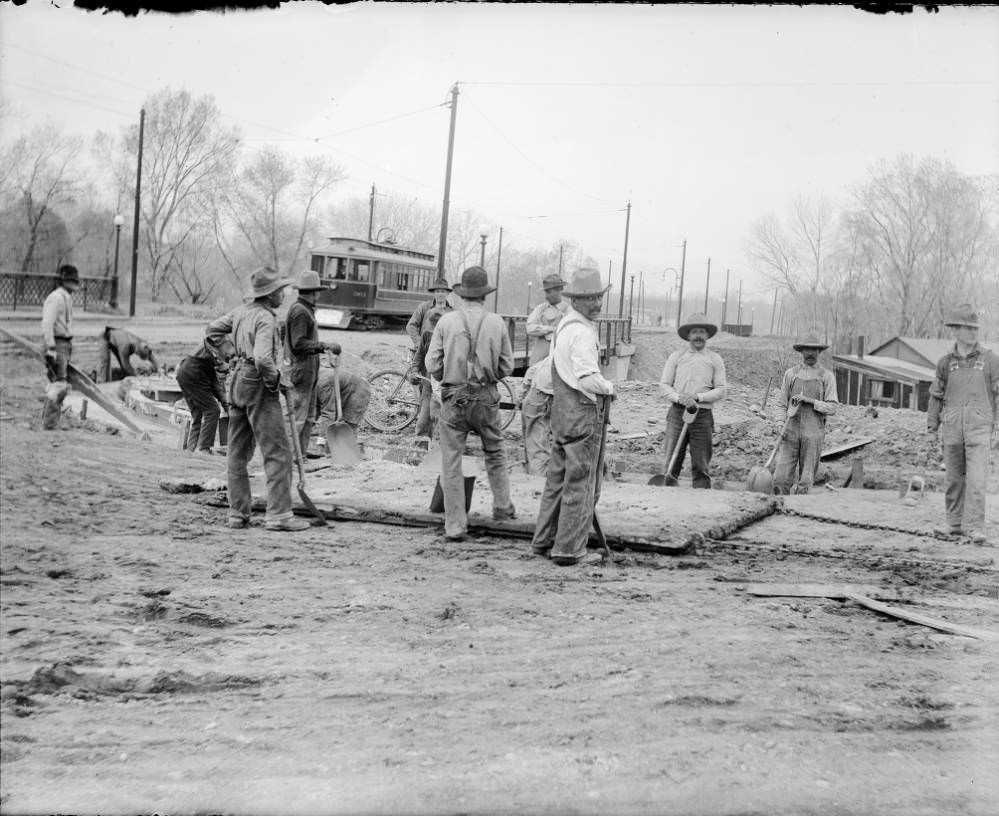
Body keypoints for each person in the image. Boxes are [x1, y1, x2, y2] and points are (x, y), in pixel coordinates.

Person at [206, 266, 310, 533]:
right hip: (258, 384)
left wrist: (230, 354)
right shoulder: (265, 318)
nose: (283, 295)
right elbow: (264, 358)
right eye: (280, 291)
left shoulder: (240, 312)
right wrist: (276, 380)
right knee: (278, 453)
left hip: (237, 382)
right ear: (270, 294)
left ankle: (237, 514)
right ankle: (279, 516)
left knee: (237, 454)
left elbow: (212, 331)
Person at [530, 267, 615, 566]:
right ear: (575, 301)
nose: (596, 303)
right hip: (581, 414)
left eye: (598, 297)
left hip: (563, 413)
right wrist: (609, 387)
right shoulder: (581, 332)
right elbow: (587, 376)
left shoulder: (565, 325)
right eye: (589, 298)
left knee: (556, 479)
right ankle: (569, 549)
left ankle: (542, 541)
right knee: (580, 482)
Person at [426, 266, 516, 541]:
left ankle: (455, 524)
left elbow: (432, 364)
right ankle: (502, 507)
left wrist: (448, 376)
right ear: (484, 295)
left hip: (454, 398)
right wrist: (488, 375)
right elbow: (507, 366)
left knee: (451, 460)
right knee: (495, 451)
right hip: (486, 396)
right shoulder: (496, 322)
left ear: (461, 294)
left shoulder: (446, 322)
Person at [927, 304, 999, 544]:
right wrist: (931, 429)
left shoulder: (990, 360)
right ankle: (954, 523)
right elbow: (936, 396)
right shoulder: (945, 363)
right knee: (954, 479)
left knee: (977, 480)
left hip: (980, 428)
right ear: (955, 331)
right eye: (967, 328)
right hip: (952, 428)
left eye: (975, 328)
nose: (972, 333)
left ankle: (975, 527)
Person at [658, 312, 727, 488]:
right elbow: (664, 385)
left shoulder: (715, 359)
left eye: (702, 332)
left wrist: (698, 397)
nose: (698, 336)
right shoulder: (676, 357)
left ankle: (701, 504)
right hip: (677, 414)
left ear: (707, 335)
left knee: (701, 465)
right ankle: (667, 500)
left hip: (702, 416)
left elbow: (721, 390)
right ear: (688, 335)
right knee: (671, 462)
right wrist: (679, 398)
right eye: (694, 332)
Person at [772, 332, 839, 495]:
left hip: (813, 434)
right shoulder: (791, 374)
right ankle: (779, 512)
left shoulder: (826, 376)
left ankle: (798, 513)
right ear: (801, 351)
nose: (810, 353)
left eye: (814, 350)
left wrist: (810, 401)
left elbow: (832, 407)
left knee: (805, 480)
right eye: (807, 349)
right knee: (780, 478)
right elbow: (781, 404)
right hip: (790, 431)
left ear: (819, 352)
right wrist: (780, 424)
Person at [284, 270, 341, 455]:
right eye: (317, 292)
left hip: (308, 371)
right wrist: (324, 345)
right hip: (301, 370)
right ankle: (290, 457)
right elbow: (298, 343)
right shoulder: (301, 312)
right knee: (299, 417)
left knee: (308, 417)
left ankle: (299, 456)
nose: (318, 295)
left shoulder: (305, 310)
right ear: (312, 292)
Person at [407, 278, 453, 437]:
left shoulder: (452, 313)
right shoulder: (424, 308)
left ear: (447, 293)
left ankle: (439, 433)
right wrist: (421, 344)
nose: (440, 294)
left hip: (444, 367)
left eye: (443, 291)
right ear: (434, 293)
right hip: (425, 360)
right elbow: (411, 326)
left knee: (443, 403)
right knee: (425, 397)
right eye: (437, 291)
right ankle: (423, 432)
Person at [175, 335, 235, 455]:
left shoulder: (211, 369)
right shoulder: (212, 356)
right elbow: (219, 392)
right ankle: (203, 448)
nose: (225, 375)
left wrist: (230, 409)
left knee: (197, 415)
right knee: (213, 411)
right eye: (223, 372)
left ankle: (191, 450)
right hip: (192, 373)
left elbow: (220, 394)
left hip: (183, 373)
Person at [40, 264, 79, 430]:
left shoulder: (67, 298)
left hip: (65, 343)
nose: (75, 285)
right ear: (64, 281)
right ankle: (49, 425)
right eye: (71, 281)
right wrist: (50, 348)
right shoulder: (56, 298)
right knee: (58, 384)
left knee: (58, 383)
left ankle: (49, 421)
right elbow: (47, 323)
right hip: (57, 343)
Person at [520, 352, 555, 475]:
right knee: (539, 450)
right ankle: (537, 485)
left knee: (535, 446)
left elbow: (531, 371)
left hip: (536, 395)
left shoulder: (561, 343)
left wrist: (524, 392)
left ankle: (534, 477)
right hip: (546, 396)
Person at [315, 363, 371, 436]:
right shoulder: (310, 379)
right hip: (342, 389)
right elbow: (314, 409)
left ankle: (348, 445)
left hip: (358, 390)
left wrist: (322, 438)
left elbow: (328, 413)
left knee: (349, 428)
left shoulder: (322, 384)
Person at [525, 273, 570, 365]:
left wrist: (541, 329)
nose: (546, 296)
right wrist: (552, 329)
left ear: (560, 290)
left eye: (549, 292)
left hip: (559, 363)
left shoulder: (568, 311)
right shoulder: (540, 309)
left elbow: (568, 333)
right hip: (537, 363)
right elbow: (529, 328)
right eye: (545, 292)